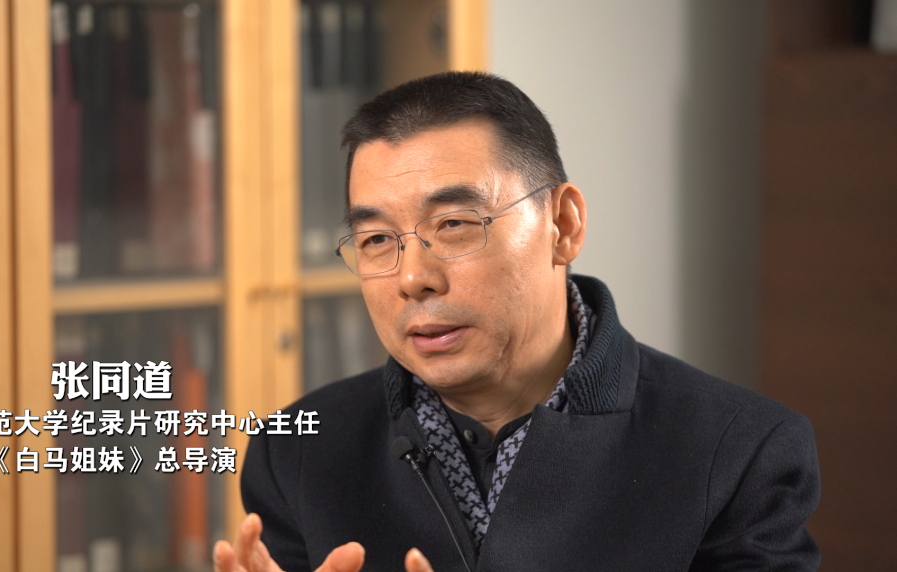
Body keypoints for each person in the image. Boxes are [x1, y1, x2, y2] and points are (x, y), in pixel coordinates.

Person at [212, 71, 820, 572]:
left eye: (453, 225)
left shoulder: (741, 452)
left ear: (563, 225)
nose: (412, 278)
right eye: (375, 239)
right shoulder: (296, 452)